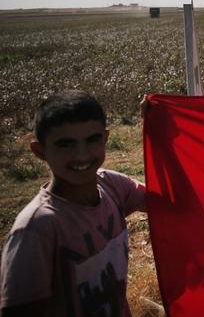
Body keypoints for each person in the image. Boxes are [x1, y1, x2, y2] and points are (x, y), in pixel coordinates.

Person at [0, 90, 146, 316]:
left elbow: (173, 200)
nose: (81, 155)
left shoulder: (112, 187)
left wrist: (162, 128)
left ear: (105, 138)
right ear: (39, 151)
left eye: (92, 140)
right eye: (65, 144)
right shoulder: (36, 229)